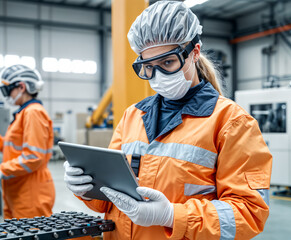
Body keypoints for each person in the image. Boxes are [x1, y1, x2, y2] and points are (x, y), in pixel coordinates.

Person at [64, 1, 272, 239]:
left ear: (194, 52)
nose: (158, 76)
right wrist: (88, 188)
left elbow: (249, 213)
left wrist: (171, 216)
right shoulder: (133, 115)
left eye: (167, 63)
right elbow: (108, 202)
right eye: (148, 66)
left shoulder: (231, 122)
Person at [0, 64, 55, 219]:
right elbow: (12, 148)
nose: (6, 95)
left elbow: (33, 156)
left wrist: (2, 170)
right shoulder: (23, 113)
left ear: (21, 87)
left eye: (6, 90)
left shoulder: (33, 113)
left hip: (30, 193)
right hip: (16, 191)